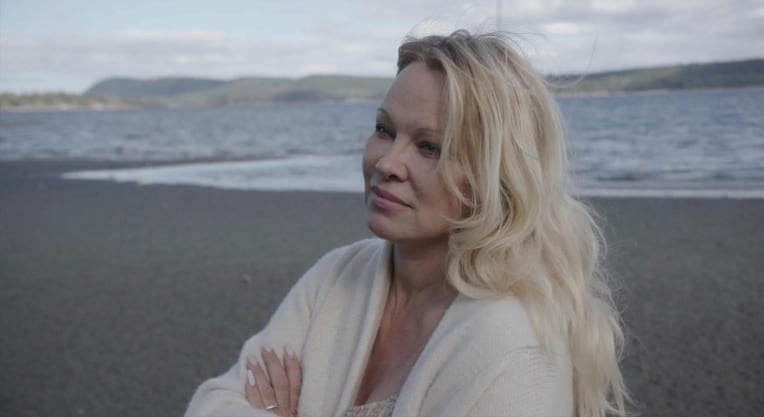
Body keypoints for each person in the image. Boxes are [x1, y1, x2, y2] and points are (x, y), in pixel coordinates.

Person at [185, 29, 627, 417]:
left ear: (494, 178)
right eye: (384, 129)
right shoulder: (337, 275)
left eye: (430, 147)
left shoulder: (513, 347)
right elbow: (213, 403)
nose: (388, 162)